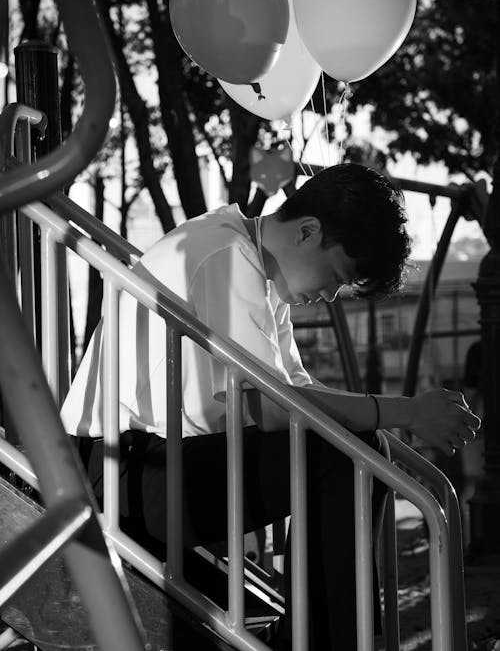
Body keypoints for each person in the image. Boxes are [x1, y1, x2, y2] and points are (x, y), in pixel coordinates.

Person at [61, 163, 481, 650]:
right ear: (308, 232)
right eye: (336, 276)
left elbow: (295, 392)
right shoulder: (226, 252)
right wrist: (404, 412)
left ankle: (329, 634)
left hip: (150, 464)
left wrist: (390, 416)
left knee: (352, 450)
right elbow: (279, 411)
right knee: (342, 458)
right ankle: (329, 639)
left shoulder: (256, 265)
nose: (329, 296)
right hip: (118, 472)